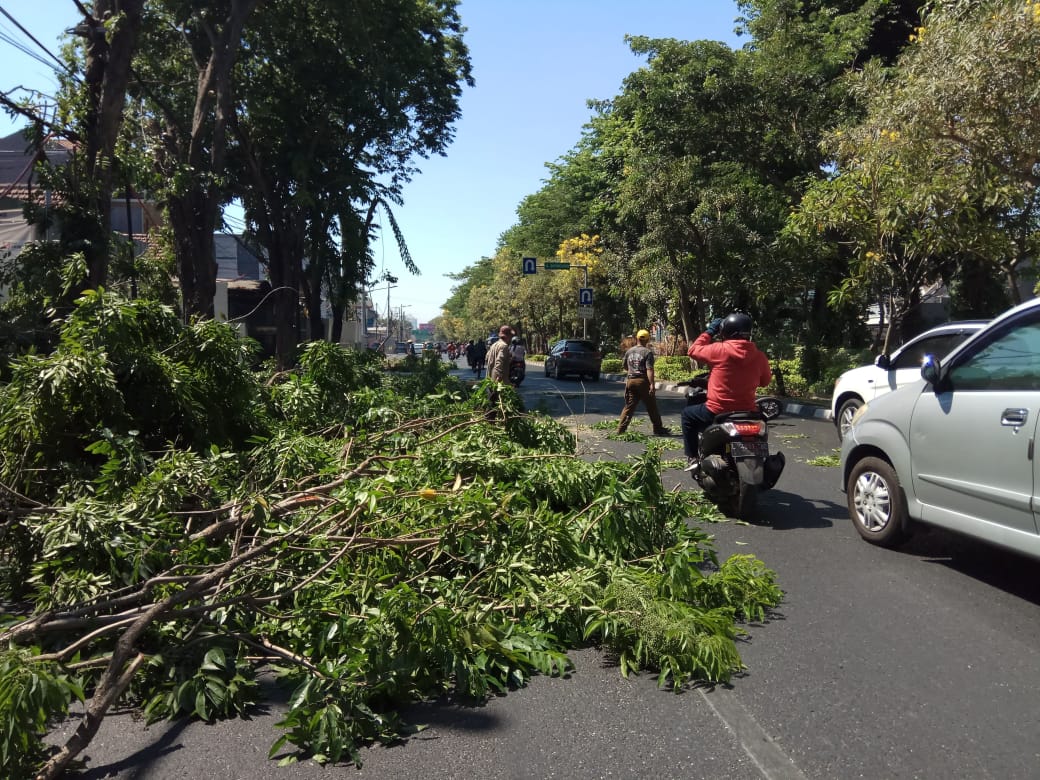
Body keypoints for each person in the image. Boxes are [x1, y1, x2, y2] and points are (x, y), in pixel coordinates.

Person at [681, 312, 772, 471]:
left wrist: (710, 331)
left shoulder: (719, 350)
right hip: (747, 413)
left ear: (725, 332)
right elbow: (765, 382)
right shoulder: (759, 356)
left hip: (717, 411)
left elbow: (693, 350)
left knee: (687, 415)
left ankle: (692, 457)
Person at [616, 329, 670, 436]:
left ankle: (620, 429)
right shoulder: (647, 352)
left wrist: (632, 371)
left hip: (631, 381)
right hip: (642, 381)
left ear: (636, 338)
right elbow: (649, 369)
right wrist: (652, 384)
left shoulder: (629, 351)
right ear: (647, 340)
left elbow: (625, 366)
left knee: (629, 406)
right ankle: (658, 429)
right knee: (651, 406)